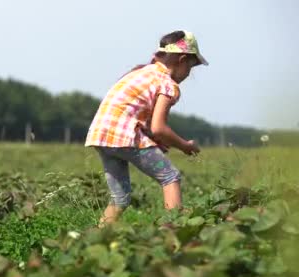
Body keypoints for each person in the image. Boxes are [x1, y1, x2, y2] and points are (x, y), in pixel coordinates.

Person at [85, 30, 207, 224]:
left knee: (120, 198)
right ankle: (173, 233)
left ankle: (95, 241)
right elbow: (159, 127)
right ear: (182, 59)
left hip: (102, 135)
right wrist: (185, 146)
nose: (188, 74)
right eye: (191, 67)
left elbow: (141, 119)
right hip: (123, 135)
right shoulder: (167, 84)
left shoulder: (142, 72)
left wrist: (155, 139)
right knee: (170, 177)